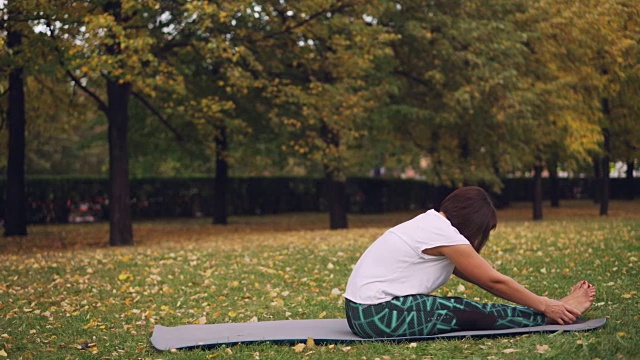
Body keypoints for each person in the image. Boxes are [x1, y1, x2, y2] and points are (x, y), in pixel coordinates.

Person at [343, 186, 596, 338]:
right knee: (466, 313)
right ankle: (551, 317)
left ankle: (552, 311)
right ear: (475, 225)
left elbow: (481, 276)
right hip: (377, 315)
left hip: (361, 313)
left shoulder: (432, 223)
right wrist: (545, 306)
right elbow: (493, 280)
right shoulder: (443, 233)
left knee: (462, 307)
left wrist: (542, 303)